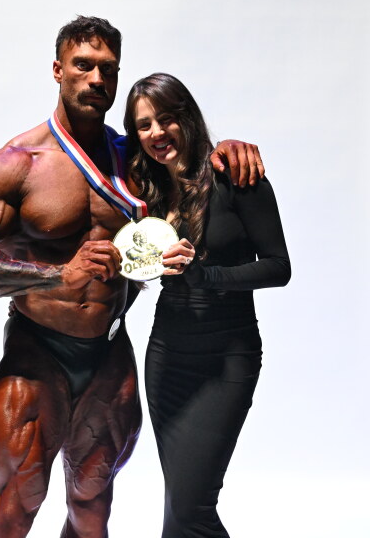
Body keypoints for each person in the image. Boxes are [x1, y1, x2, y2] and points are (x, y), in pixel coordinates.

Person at [0, 16, 264, 538]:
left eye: (108, 69)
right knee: (17, 509)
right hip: (36, 353)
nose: (97, 79)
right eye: (83, 66)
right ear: (57, 70)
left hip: (110, 355)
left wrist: (228, 150)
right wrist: (56, 277)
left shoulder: (134, 163)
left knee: (92, 511)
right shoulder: (15, 164)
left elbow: (190, 166)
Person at [123, 73, 291, 538]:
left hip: (225, 359)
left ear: (187, 117)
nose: (157, 132)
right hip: (166, 358)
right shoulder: (147, 189)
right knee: (178, 504)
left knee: (190, 506)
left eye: (166, 119)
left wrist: (206, 275)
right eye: (144, 125)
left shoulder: (236, 178)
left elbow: (279, 267)